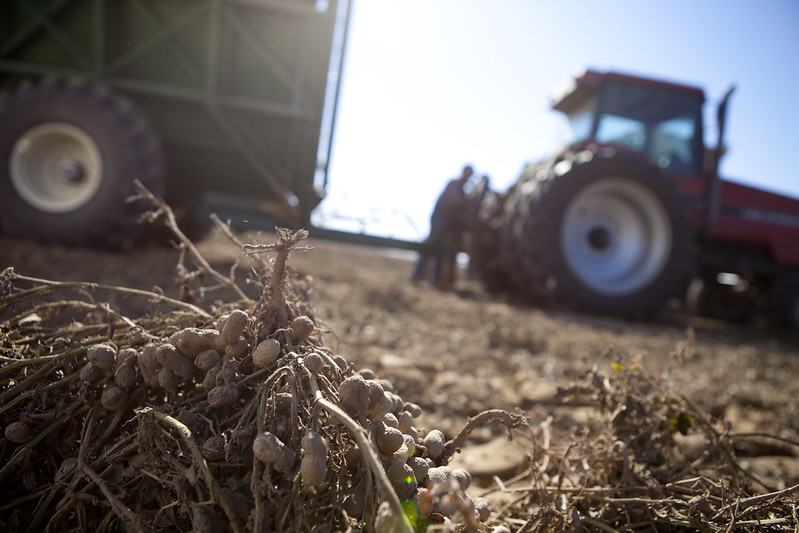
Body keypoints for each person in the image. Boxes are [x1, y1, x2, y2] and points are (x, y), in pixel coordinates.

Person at [412, 165, 473, 289]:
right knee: (433, 246)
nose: (469, 177)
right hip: (441, 220)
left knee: (442, 249)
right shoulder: (455, 184)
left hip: (448, 222)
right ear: (464, 172)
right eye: (468, 173)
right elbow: (457, 202)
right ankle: (418, 275)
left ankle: (435, 279)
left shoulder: (462, 187)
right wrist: (470, 202)